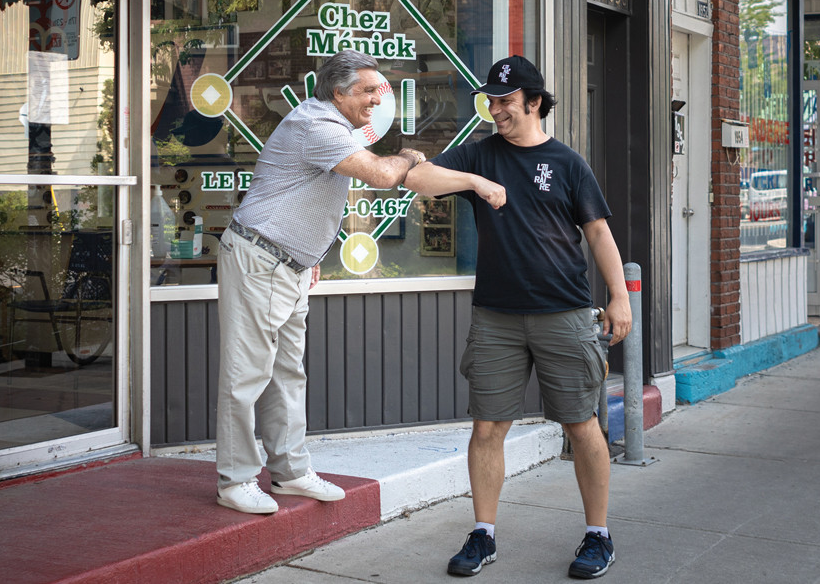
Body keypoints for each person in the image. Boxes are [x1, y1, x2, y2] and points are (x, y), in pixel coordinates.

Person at [215, 50, 502, 515]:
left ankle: (288, 473)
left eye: (379, 89)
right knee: (246, 376)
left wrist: (307, 254)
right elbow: (384, 174)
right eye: (368, 90)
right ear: (338, 93)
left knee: (287, 375)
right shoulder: (318, 126)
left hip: (285, 263)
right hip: (260, 260)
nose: (377, 98)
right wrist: (409, 154)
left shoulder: (333, 128)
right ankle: (235, 480)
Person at [403, 55, 632, 579]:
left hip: (566, 311)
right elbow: (419, 177)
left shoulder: (568, 163)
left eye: (505, 101)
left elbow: (598, 233)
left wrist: (619, 297)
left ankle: (598, 535)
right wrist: (476, 183)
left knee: (582, 424)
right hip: (496, 317)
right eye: (491, 100)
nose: (495, 109)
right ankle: (483, 534)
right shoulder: (481, 155)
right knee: (487, 427)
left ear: (534, 102)